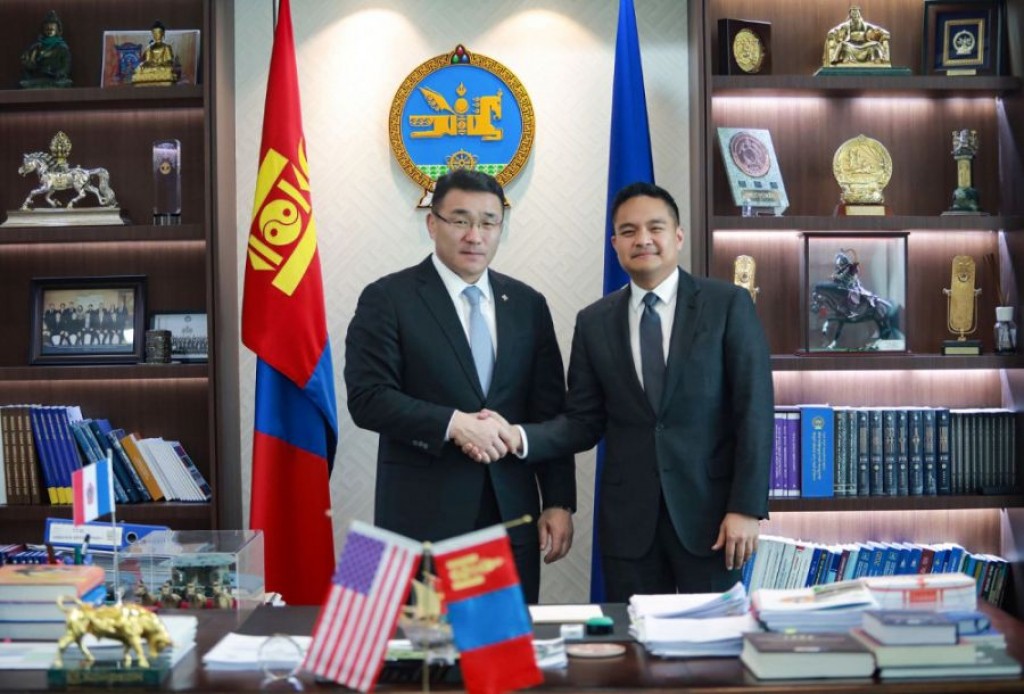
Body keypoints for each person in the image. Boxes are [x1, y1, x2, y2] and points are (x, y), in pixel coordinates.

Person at [468, 182, 774, 601]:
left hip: (714, 519)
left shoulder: (727, 305)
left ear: (678, 236)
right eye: (628, 231)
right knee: (630, 638)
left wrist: (746, 507)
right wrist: (518, 437)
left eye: (655, 228)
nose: (642, 239)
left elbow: (755, 412)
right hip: (630, 525)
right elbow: (582, 421)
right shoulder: (594, 321)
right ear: (615, 244)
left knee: (714, 637)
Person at [344, 169, 575, 602]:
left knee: (505, 643)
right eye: (460, 220)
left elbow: (550, 412)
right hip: (422, 520)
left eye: (488, 222)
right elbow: (368, 398)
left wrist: (558, 502)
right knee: (422, 642)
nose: (475, 235)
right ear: (432, 223)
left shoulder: (527, 305)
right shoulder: (388, 298)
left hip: (511, 515)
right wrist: (454, 424)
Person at [20, 10, 72, 88]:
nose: (49, 31)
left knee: (63, 83)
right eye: (47, 29)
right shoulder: (37, 46)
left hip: (55, 79)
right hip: (39, 77)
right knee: (25, 84)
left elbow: (66, 66)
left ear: (57, 30)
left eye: (52, 29)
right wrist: (29, 62)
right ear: (43, 29)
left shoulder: (62, 48)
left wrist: (59, 73)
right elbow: (30, 66)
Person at [823, 6, 890, 67]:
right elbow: (836, 29)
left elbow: (877, 29)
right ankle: (840, 60)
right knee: (843, 44)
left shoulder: (865, 25)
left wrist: (885, 33)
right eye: (853, 14)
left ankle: (877, 60)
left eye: (856, 14)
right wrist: (831, 33)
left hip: (864, 44)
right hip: (850, 44)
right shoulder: (846, 25)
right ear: (850, 15)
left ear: (859, 15)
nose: (855, 16)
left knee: (875, 44)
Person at [132, 21, 178, 85]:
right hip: (153, 67)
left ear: (163, 33)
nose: (156, 35)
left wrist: (162, 63)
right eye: (154, 33)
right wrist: (145, 64)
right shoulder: (149, 48)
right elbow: (147, 61)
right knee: (138, 69)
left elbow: (169, 61)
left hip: (162, 67)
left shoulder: (166, 47)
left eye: (158, 33)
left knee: (168, 70)